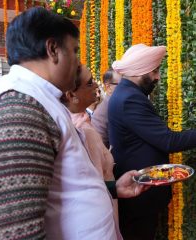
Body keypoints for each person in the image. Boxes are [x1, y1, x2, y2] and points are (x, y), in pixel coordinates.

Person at [0, 7, 144, 240]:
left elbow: (59, 189)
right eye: (74, 51)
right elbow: (14, 232)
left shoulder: (39, 100)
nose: (78, 63)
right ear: (53, 49)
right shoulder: (18, 109)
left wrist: (113, 189)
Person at [109, 43, 196, 240]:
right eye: (154, 71)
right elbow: (168, 141)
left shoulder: (128, 94)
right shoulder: (130, 99)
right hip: (139, 194)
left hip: (141, 191)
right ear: (139, 71)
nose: (157, 77)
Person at [61, 65, 130, 239]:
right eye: (90, 83)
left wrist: (115, 188)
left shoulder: (83, 123)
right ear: (71, 95)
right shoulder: (78, 129)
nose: (96, 86)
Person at [91, 69, 122, 147]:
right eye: (121, 85)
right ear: (108, 87)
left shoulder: (118, 104)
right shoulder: (102, 112)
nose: (126, 88)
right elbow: (100, 146)